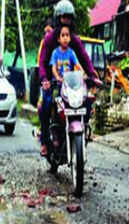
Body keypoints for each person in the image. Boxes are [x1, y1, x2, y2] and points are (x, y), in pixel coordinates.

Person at [38, 0, 97, 156]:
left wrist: (92, 74)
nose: (67, 21)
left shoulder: (74, 40)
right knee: (44, 105)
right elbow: (43, 62)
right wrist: (44, 79)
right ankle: (45, 141)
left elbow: (84, 58)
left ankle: (84, 128)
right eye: (64, 18)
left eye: (69, 18)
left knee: (87, 100)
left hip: (70, 84)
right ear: (58, 19)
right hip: (52, 83)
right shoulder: (50, 39)